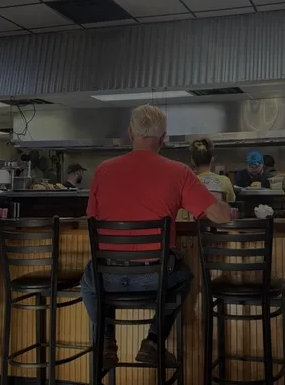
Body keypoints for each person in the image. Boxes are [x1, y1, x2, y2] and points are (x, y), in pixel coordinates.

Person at [82, 105, 231, 368]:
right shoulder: (179, 172)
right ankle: (153, 341)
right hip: (154, 280)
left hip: (107, 279)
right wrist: (227, 207)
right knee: (184, 277)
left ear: (130, 133)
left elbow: (91, 218)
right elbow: (220, 216)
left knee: (88, 280)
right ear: (163, 138)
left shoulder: (103, 170)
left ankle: (105, 342)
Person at [190, 138, 235, 202]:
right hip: (219, 208)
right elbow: (231, 201)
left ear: (193, 162)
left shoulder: (189, 183)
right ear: (212, 159)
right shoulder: (225, 181)